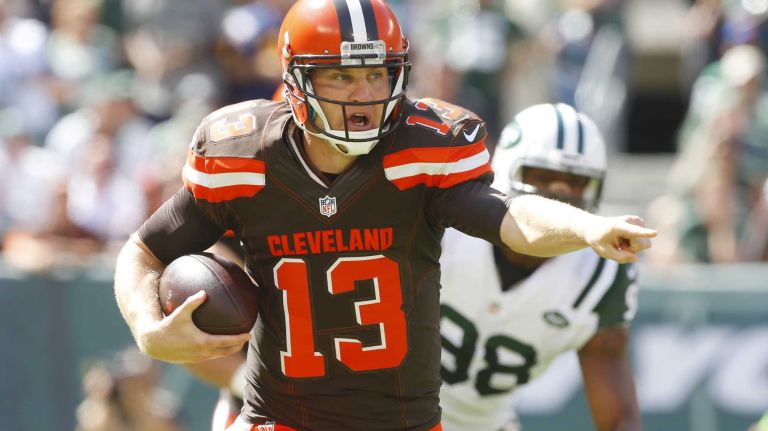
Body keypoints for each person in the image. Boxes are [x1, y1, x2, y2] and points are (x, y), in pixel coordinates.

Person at [113, 1, 655, 430]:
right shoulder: (244, 156)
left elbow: (511, 216)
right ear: (297, 79)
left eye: (376, 74)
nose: (364, 96)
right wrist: (146, 327)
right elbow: (145, 250)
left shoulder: (424, 152)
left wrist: (587, 228)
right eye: (341, 78)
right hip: (280, 418)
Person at [438, 103, 642, 431]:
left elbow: (619, 419)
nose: (560, 200)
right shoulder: (448, 231)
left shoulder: (598, 275)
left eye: (576, 182)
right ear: (503, 174)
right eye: (543, 177)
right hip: (391, 412)